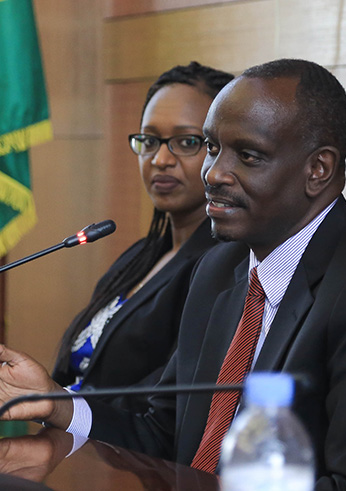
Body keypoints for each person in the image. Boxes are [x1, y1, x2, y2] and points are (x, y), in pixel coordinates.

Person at [0, 58, 346, 490]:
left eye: (248, 156)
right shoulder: (221, 268)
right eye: (212, 148)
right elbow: (163, 431)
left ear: (318, 170)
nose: (214, 174)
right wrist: (54, 403)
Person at [50, 62, 234, 412]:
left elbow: (162, 403)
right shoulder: (140, 256)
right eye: (149, 141)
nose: (161, 159)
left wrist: (61, 407)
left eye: (187, 142)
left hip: (133, 461)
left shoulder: (226, 270)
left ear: (221, 150)